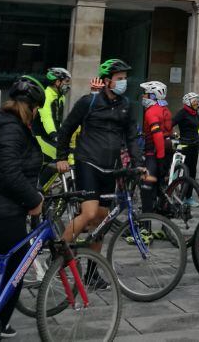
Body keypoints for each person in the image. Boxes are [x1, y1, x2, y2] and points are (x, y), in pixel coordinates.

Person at [0, 77, 46, 336]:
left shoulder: (2, 126)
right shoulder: (12, 129)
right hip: (4, 213)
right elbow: (9, 174)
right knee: (17, 270)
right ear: (32, 108)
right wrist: (35, 200)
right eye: (37, 109)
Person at [56, 59, 143, 257]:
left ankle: (93, 271)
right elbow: (67, 129)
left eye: (125, 79)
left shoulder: (126, 105)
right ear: (106, 81)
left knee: (102, 220)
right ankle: (57, 253)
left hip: (111, 167)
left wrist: (138, 164)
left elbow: (131, 137)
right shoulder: (89, 102)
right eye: (119, 79)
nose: (123, 82)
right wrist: (61, 157)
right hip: (88, 162)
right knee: (89, 213)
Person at [140, 81, 171, 213]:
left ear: (153, 96)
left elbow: (157, 134)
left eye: (145, 94)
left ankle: (145, 227)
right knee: (160, 186)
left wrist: (159, 158)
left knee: (146, 188)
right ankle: (163, 213)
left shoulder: (151, 111)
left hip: (154, 152)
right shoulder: (164, 109)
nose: (143, 97)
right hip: (167, 148)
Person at [33, 67, 71, 161]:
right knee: (60, 157)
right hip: (41, 136)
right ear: (57, 82)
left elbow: (59, 119)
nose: (68, 85)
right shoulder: (46, 95)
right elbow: (46, 117)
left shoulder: (61, 97)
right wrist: (54, 135)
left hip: (51, 136)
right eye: (66, 81)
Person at [172, 92, 199, 200]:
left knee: (193, 172)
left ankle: (188, 197)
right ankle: (182, 196)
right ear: (188, 102)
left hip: (195, 145)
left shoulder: (194, 113)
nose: (196, 103)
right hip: (185, 146)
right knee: (185, 172)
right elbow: (171, 123)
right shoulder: (183, 113)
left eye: (196, 101)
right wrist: (172, 135)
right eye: (194, 101)